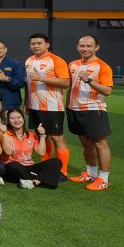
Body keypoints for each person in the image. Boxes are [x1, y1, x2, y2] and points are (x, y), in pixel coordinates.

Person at [66, 35, 115, 191]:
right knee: (86, 143)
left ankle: (104, 178)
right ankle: (91, 173)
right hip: (74, 109)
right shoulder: (73, 64)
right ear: (77, 47)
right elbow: (71, 87)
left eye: (89, 46)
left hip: (93, 109)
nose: (85, 49)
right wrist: (68, 106)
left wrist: (89, 80)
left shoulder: (103, 66)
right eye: (82, 46)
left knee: (100, 144)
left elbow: (107, 91)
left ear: (96, 48)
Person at [25, 33, 71, 175]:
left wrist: (41, 78)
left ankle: (62, 171)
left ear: (47, 44)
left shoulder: (57, 60)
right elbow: (28, 84)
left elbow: (65, 82)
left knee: (57, 137)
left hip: (52, 106)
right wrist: (26, 102)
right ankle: (45, 165)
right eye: (33, 43)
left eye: (39, 43)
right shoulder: (29, 60)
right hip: (34, 106)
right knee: (41, 136)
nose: (36, 46)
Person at [0, 109, 64, 189]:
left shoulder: (31, 135)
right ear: (8, 121)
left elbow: (41, 153)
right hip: (13, 168)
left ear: (23, 119)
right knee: (13, 165)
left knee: (56, 162)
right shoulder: (4, 134)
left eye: (19, 117)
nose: (16, 120)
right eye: (12, 118)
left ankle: (34, 182)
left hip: (29, 167)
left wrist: (42, 135)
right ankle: (43, 178)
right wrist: (4, 134)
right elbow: (8, 152)